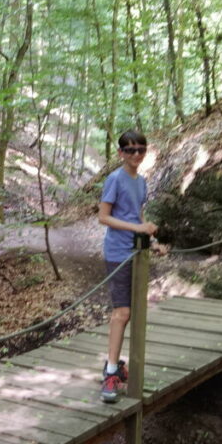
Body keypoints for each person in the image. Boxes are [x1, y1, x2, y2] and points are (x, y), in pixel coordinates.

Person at [97, 130, 158, 404]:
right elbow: (103, 217)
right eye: (130, 150)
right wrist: (137, 228)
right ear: (121, 153)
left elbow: (138, 214)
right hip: (118, 252)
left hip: (137, 252)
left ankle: (121, 365)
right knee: (121, 313)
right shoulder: (115, 179)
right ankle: (110, 372)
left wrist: (150, 238)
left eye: (141, 150)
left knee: (133, 312)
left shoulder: (142, 182)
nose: (136, 155)